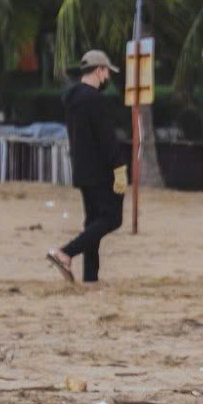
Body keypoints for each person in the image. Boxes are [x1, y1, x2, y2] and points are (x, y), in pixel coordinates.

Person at [47, 50, 131, 285]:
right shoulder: (94, 100)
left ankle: (91, 278)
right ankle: (65, 253)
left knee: (93, 222)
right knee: (112, 219)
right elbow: (106, 139)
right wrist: (118, 168)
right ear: (99, 70)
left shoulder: (72, 99)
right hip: (101, 171)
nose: (108, 79)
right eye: (107, 73)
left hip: (82, 170)